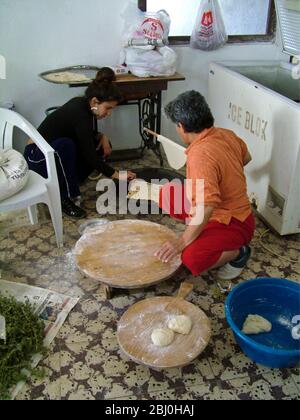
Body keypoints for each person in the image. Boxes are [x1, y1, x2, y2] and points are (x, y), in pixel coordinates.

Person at [154, 90, 255, 281]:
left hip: (234, 221)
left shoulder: (200, 155)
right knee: (168, 192)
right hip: (220, 210)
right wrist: (225, 174)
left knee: (190, 258)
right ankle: (199, 230)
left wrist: (181, 241)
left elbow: (207, 206)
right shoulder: (226, 134)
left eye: (176, 126)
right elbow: (246, 158)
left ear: (181, 126)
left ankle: (239, 252)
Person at [24, 67, 136, 218]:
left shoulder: (84, 106)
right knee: (67, 145)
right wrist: (117, 174)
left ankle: (70, 182)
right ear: (95, 101)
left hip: (52, 153)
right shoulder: (80, 111)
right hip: (35, 157)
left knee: (99, 147)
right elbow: (88, 154)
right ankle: (64, 197)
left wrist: (102, 136)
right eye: (108, 108)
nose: (109, 114)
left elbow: (83, 136)